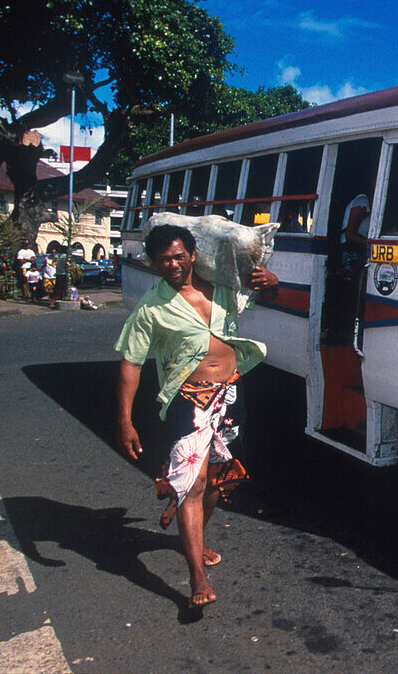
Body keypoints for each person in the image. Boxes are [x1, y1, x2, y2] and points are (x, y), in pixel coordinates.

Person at [114, 225, 278, 610]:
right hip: (187, 401)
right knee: (193, 485)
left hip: (231, 394)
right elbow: (130, 364)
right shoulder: (152, 307)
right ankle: (197, 579)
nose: (173, 264)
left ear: (192, 254)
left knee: (218, 479)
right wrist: (124, 421)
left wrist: (272, 283)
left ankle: (196, 539)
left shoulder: (221, 286)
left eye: (178, 256)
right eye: (164, 260)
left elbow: (267, 295)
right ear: (155, 265)